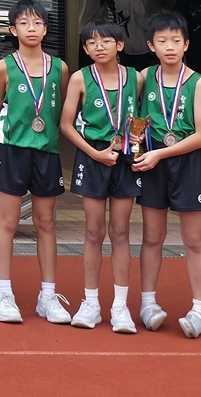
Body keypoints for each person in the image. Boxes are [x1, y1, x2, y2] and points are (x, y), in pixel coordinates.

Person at [130, 11, 201, 336]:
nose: (169, 47)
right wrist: (136, 138)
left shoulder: (199, 82)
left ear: (186, 45)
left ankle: (200, 310)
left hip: (186, 162)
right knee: (152, 237)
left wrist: (159, 154)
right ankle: (147, 303)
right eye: (162, 41)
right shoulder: (144, 77)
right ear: (151, 45)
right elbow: (135, 116)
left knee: (194, 240)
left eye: (176, 41)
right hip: (152, 161)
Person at [0, 0, 67, 325]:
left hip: (46, 151)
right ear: (13, 29)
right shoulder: (3, 67)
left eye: (37, 23)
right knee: (7, 222)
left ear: (46, 29)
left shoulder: (59, 68)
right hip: (12, 151)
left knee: (45, 223)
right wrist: (11, 136)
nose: (31, 28)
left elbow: (60, 109)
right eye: (24, 23)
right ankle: (4, 293)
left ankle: (48, 295)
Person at [61, 20, 142, 331]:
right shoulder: (80, 78)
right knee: (93, 231)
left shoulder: (135, 77)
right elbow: (66, 124)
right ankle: (91, 302)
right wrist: (93, 154)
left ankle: (120, 306)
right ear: (85, 49)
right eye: (92, 43)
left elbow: (141, 118)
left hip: (124, 156)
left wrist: (138, 137)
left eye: (106, 41)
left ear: (120, 45)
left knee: (120, 232)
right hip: (93, 155)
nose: (99, 47)